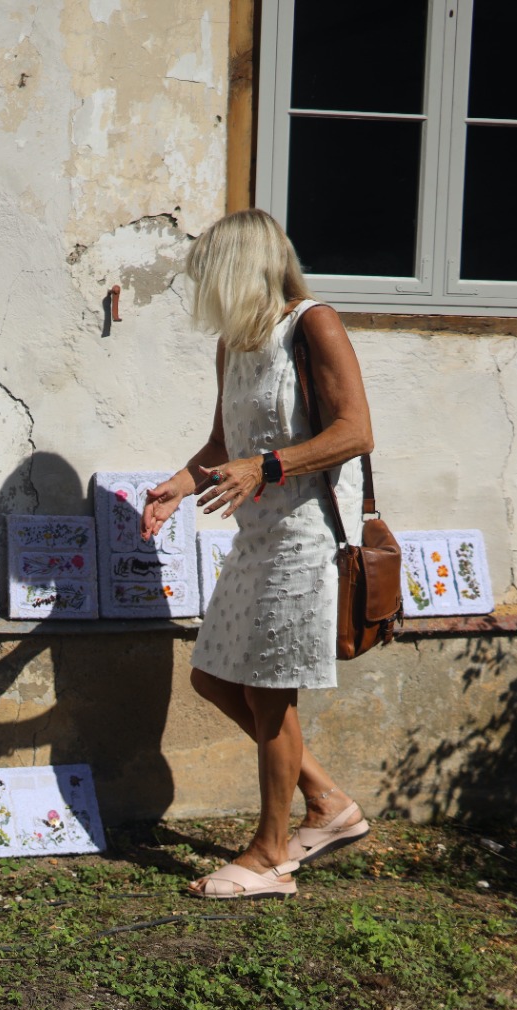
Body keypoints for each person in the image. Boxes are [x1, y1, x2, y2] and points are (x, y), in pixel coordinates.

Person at [141, 208, 375, 900]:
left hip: (305, 536)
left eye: (208, 274)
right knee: (214, 678)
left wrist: (266, 467)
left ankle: (271, 856)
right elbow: (224, 443)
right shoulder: (234, 344)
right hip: (256, 536)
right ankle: (328, 803)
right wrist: (180, 485)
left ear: (239, 270)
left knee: (269, 694)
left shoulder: (313, 324)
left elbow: (355, 431)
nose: (201, 290)